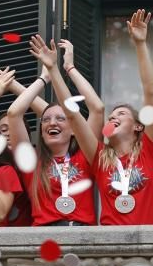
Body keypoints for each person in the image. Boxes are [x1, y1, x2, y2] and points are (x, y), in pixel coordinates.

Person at [61, 11, 153, 225]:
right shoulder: (101, 156)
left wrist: (140, 44)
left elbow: (151, 91)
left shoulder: (151, 148)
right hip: (112, 249)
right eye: (110, 117)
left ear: (138, 126)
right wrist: (66, 69)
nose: (112, 118)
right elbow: (73, 116)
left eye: (121, 114)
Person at [10, 35, 98, 226]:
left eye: (60, 118)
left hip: (82, 238)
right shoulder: (32, 162)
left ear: (74, 130)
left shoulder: (86, 156)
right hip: (44, 238)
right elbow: (14, 114)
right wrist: (44, 78)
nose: (52, 123)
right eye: (46, 120)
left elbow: (97, 109)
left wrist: (67, 68)